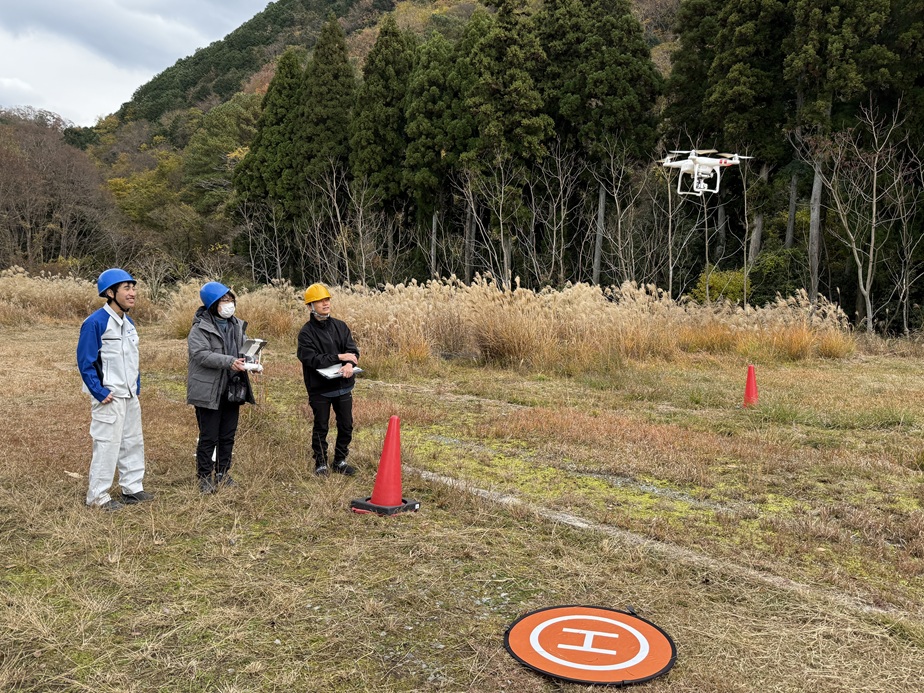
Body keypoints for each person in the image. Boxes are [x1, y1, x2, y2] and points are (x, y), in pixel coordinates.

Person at [77, 268, 154, 511]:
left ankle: (132, 488)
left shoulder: (128, 323)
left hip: (130, 395)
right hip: (109, 397)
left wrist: (136, 386)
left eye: (134, 287)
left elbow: (132, 359)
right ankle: (98, 497)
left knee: (133, 442)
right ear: (110, 293)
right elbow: (85, 361)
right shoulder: (95, 323)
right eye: (126, 288)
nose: (133, 293)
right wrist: (99, 392)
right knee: (107, 445)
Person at [187, 281, 255, 494]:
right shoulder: (200, 327)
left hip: (232, 388)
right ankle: (204, 477)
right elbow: (200, 354)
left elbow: (244, 349)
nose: (229, 304)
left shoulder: (237, 325)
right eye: (224, 300)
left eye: (231, 300)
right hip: (209, 389)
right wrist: (229, 361)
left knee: (228, 434)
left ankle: (223, 473)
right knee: (209, 435)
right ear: (212, 304)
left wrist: (251, 361)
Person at [297, 283, 359, 477]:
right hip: (320, 388)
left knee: (346, 425)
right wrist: (339, 357)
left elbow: (352, 350)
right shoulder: (306, 333)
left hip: (343, 385)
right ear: (310, 306)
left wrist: (349, 364)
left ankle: (340, 460)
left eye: (327, 299)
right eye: (320, 301)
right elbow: (311, 359)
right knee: (321, 426)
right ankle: (321, 463)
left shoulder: (340, 326)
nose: (325, 304)